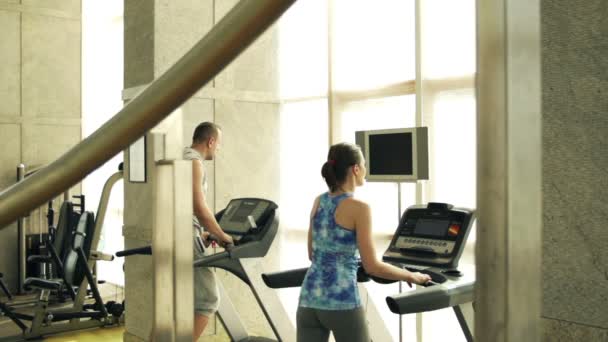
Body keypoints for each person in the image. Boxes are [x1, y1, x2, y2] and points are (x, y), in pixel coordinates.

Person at [297, 142, 432, 342]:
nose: (366, 170)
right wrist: (412, 276)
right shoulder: (359, 207)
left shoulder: (319, 201)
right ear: (356, 169)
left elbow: (312, 254)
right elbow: (372, 267)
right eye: (364, 165)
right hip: (341, 302)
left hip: (309, 299)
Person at [184, 122, 234, 341]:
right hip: (185, 237)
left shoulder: (180, 158)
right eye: (218, 144)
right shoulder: (194, 162)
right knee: (208, 300)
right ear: (210, 141)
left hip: (179, 234)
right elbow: (198, 206)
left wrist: (203, 234)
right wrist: (223, 237)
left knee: (174, 304)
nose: (218, 149)